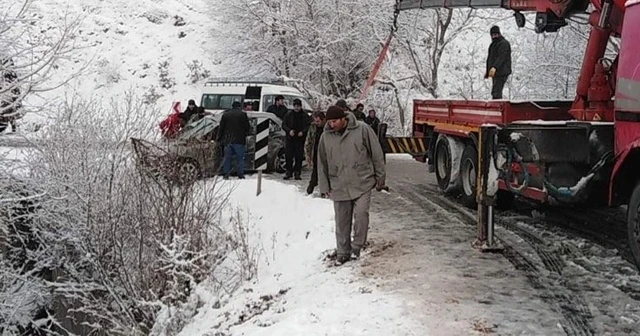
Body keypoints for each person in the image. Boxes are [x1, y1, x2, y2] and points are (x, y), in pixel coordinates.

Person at [317, 106, 386, 266]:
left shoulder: (362, 129)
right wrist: (324, 186)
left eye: (334, 121)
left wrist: (380, 177)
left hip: (362, 181)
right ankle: (343, 252)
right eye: (329, 122)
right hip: (339, 184)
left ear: (343, 119)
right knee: (341, 221)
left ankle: (356, 247)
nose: (331, 125)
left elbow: (376, 153)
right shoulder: (325, 136)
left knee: (361, 215)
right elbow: (321, 162)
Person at [217, 101, 250, 179]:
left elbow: (221, 128)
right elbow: (247, 127)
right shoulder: (243, 114)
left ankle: (226, 174)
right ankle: (240, 174)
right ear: (239, 107)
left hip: (228, 140)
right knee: (240, 158)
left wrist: (219, 138)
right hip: (239, 140)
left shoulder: (225, 115)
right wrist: (245, 134)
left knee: (227, 159)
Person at [282, 98, 310, 180]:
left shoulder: (304, 115)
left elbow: (308, 125)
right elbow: (284, 125)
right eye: (295, 106)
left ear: (301, 106)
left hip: (300, 139)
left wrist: (303, 132)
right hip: (290, 138)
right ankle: (288, 172)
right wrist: (289, 131)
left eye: (298, 106)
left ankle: (297, 172)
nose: (297, 108)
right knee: (288, 156)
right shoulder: (289, 114)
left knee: (299, 157)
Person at [485, 26, 512, 99]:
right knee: (495, 91)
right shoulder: (493, 45)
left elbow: (501, 57)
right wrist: (488, 71)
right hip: (495, 72)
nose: (494, 36)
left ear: (499, 34)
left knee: (497, 91)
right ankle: (496, 104)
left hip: (502, 71)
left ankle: (498, 107)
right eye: (493, 35)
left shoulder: (504, 44)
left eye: (496, 34)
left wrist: (494, 67)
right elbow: (490, 58)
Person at [305, 110, 326, 195]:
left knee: (324, 172)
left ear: (323, 120)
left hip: (325, 153)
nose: (316, 123)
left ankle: (324, 189)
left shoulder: (328, 128)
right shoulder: (313, 127)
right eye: (315, 121)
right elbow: (308, 141)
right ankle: (312, 185)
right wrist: (308, 155)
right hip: (316, 151)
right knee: (316, 170)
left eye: (318, 121)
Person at [0, 58, 21, 133]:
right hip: (10, 97)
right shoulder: (12, 73)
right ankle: (14, 128)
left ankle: (13, 128)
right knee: (10, 113)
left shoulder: (5, 73)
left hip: (6, 97)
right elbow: (16, 87)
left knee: (7, 113)